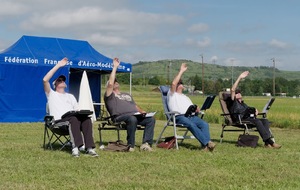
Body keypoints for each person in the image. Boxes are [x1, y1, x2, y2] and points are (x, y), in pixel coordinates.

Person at [43, 57, 98, 157]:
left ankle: (89, 148)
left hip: (73, 120)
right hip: (58, 123)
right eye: (59, 80)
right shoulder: (51, 94)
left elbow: (77, 110)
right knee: (73, 119)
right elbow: (45, 80)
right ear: (55, 84)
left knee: (86, 119)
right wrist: (58, 65)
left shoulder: (71, 96)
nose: (62, 81)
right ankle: (75, 148)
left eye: (63, 80)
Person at [104, 58, 155, 152]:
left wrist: (142, 111)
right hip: (119, 117)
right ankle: (130, 145)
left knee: (150, 119)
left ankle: (146, 144)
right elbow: (110, 84)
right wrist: (115, 67)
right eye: (113, 81)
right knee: (132, 118)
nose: (115, 82)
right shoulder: (109, 95)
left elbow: (134, 106)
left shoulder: (126, 94)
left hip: (135, 115)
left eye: (116, 81)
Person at [167, 63, 215, 151]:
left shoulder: (186, 97)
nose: (181, 84)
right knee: (190, 124)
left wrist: (197, 109)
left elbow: (191, 108)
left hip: (190, 116)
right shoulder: (171, 94)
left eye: (181, 83)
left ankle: (205, 146)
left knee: (204, 124)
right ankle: (207, 143)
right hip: (178, 117)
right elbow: (173, 84)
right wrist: (181, 71)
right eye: (179, 83)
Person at [230, 71, 281, 149]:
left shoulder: (243, 104)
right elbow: (233, 89)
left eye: (239, 92)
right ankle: (270, 142)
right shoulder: (234, 102)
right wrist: (240, 77)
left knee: (265, 121)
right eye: (237, 93)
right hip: (241, 119)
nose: (239, 93)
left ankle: (267, 144)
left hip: (249, 118)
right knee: (257, 121)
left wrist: (255, 111)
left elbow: (249, 110)